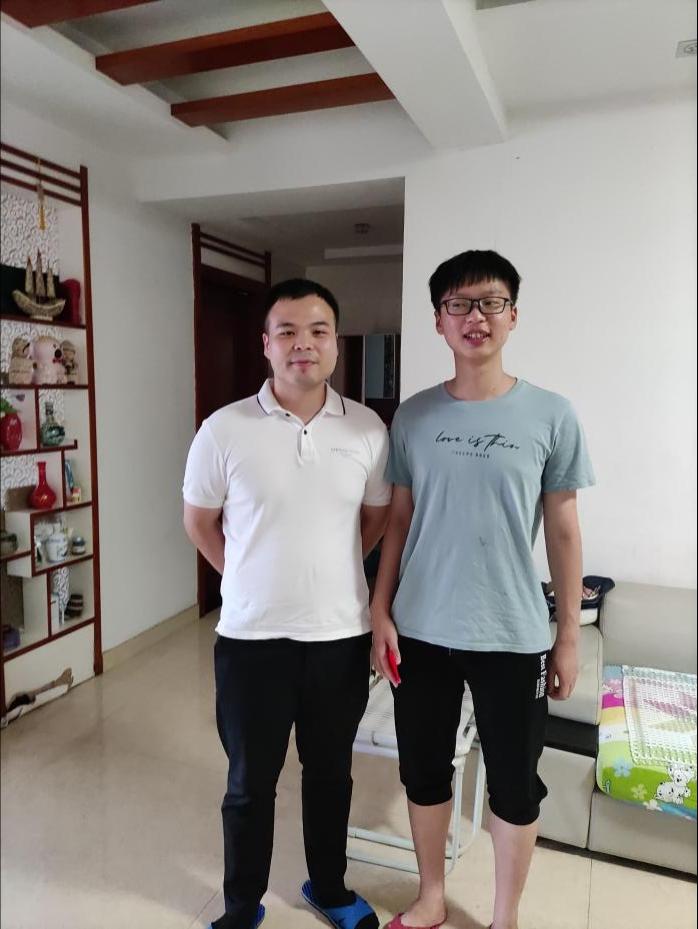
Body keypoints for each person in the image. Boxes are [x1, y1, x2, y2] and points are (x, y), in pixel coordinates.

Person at [371, 250, 595, 929]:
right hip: (421, 629)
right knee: (424, 772)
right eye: (459, 304)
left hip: (513, 633)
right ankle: (431, 896)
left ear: (513, 315)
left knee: (515, 785)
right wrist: (380, 609)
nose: (476, 316)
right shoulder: (412, 417)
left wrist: (566, 637)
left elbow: (563, 531)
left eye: (491, 302)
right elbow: (399, 520)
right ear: (438, 320)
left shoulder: (552, 415)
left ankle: (504, 917)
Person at [183, 278, 390, 929]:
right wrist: (245, 575)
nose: (304, 343)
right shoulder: (224, 429)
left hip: (339, 637)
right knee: (249, 782)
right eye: (288, 332)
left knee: (330, 775)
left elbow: (375, 519)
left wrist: (331, 571)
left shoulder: (367, 429)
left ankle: (329, 887)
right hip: (251, 641)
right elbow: (199, 522)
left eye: (318, 330)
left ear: (335, 343)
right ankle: (241, 905)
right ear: (266, 344)